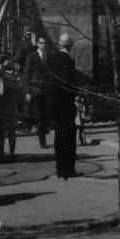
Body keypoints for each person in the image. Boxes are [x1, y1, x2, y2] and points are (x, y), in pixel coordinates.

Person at [44, 34, 81, 178]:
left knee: (58, 136)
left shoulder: (52, 60)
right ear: (70, 45)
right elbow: (71, 84)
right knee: (69, 136)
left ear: (59, 44)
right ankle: (69, 169)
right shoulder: (69, 61)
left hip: (55, 103)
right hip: (67, 103)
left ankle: (60, 169)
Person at [20, 33, 51, 148]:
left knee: (47, 114)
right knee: (39, 116)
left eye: (45, 43)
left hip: (46, 89)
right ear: (38, 44)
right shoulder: (31, 56)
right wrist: (27, 91)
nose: (44, 45)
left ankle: (43, 130)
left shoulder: (49, 56)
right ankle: (42, 141)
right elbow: (26, 75)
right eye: (42, 43)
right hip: (35, 89)